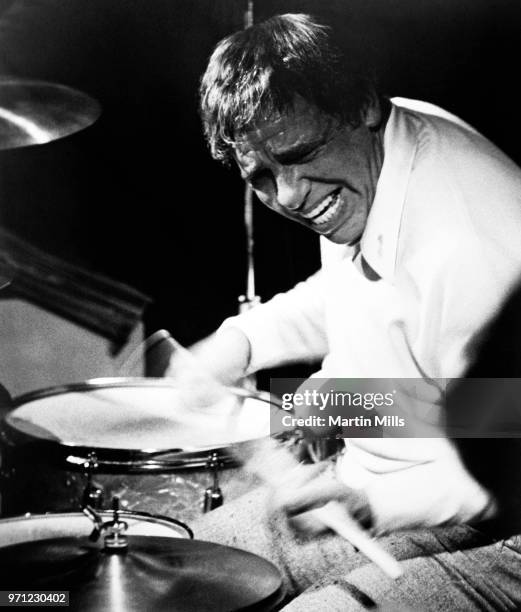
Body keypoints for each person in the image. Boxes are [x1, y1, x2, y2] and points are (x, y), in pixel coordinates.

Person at [169, 14, 521, 610]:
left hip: (497, 522)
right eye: (260, 176)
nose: (287, 196)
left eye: (297, 155)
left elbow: (504, 464)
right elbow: (364, 289)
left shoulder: (472, 244)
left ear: (362, 103)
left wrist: (370, 505)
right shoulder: (362, 154)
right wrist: (244, 341)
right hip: (416, 456)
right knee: (171, 565)